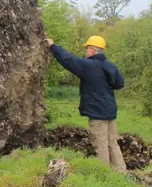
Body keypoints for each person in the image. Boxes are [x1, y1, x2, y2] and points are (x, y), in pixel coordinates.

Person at [45, 35, 127, 173]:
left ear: (93, 50)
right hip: (110, 110)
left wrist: (53, 46)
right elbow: (120, 84)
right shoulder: (110, 65)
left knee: (100, 143)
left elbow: (68, 60)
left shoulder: (88, 65)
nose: (85, 52)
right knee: (112, 142)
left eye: (87, 49)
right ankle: (120, 171)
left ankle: (104, 174)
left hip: (98, 112)